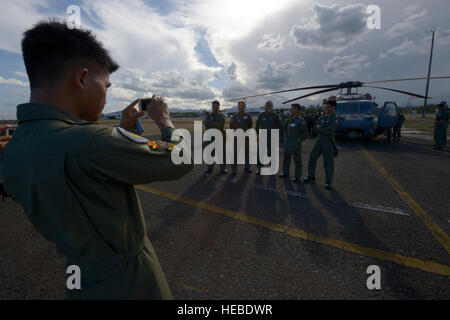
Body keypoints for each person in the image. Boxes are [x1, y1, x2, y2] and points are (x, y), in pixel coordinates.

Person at [0, 20, 193, 299]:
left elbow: (80, 172)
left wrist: (121, 132)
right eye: (106, 84)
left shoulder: (14, 148)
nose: (106, 94)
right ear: (81, 79)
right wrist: (166, 123)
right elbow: (178, 158)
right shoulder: (89, 141)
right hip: (130, 283)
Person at [304, 98, 339, 190]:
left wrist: (320, 128)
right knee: (312, 157)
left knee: (328, 162)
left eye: (327, 107)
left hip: (328, 142)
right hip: (319, 140)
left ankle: (328, 181)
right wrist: (320, 128)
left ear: (333, 107)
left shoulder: (335, 119)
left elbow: (330, 131)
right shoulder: (322, 117)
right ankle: (311, 176)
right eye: (325, 107)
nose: (325, 109)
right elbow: (315, 127)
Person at [279, 104, 307, 182]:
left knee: (297, 160)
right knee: (286, 159)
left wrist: (298, 140)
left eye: (292, 108)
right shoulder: (288, 120)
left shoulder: (301, 121)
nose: (290, 110)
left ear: (297, 110)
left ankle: (297, 176)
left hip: (296, 144)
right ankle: (285, 172)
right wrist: (284, 138)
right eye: (290, 108)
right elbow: (284, 130)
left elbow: (305, 134)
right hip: (288, 142)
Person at [255, 100, 284, 175]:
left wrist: (280, 137)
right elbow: (257, 126)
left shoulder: (275, 116)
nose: (268, 107)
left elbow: (280, 126)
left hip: (272, 137)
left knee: (272, 154)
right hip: (263, 136)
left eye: (270, 105)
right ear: (265, 107)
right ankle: (259, 168)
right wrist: (257, 134)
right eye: (267, 105)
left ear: (272, 107)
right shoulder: (261, 115)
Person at [204, 100, 227, 174]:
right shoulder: (208, 116)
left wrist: (212, 124)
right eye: (213, 106)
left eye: (216, 106)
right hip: (210, 138)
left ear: (218, 107)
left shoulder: (221, 116)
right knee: (210, 153)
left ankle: (223, 168)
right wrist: (216, 124)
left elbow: (221, 125)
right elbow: (206, 124)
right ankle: (210, 168)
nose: (214, 107)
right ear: (212, 107)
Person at [229, 100, 253, 174]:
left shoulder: (248, 116)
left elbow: (250, 125)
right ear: (238, 107)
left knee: (247, 153)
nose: (242, 107)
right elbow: (231, 126)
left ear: (245, 107)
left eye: (243, 106)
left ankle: (247, 167)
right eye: (240, 106)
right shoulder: (235, 116)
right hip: (237, 138)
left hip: (246, 138)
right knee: (235, 153)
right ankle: (233, 169)